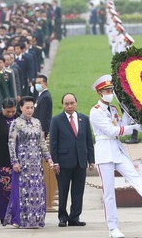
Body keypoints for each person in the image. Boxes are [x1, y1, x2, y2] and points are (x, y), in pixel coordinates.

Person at [89, 74, 142, 238]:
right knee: (109, 193)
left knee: (133, 174)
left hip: (117, 148)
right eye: (107, 90)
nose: (110, 92)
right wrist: (134, 127)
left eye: (111, 89)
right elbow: (111, 131)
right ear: (99, 93)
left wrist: (128, 114)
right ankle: (112, 228)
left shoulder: (114, 109)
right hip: (104, 151)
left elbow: (121, 126)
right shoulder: (95, 112)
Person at [3, 96, 54, 228]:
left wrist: (48, 158)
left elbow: (41, 142)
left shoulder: (37, 122)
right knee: (24, 191)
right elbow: (11, 143)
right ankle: (21, 220)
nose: (30, 110)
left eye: (32, 108)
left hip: (36, 162)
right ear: (21, 108)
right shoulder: (16, 123)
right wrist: (14, 161)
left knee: (37, 191)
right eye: (27, 108)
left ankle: (36, 219)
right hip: (23, 161)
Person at [50, 93, 94, 227]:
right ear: (62, 105)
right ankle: (63, 217)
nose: (69, 106)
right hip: (63, 163)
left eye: (72, 103)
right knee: (63, 191)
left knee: (78, 191)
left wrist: (91, 160)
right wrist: (55, 161)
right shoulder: (56, 120)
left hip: (80, 161)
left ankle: (74, 217)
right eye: (66, 104)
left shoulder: (84, 119)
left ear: (76, 103)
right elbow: (53, 143)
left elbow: (89, 140)